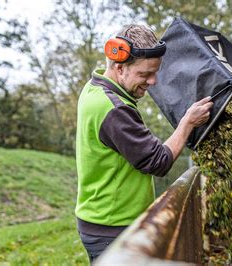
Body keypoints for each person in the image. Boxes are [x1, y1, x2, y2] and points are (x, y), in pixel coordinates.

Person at [75, 24, 213, 263]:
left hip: (101, 220)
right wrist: (187, 122)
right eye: (144, 74)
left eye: (155, 72)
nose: (153, 81)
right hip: (113, 227)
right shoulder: (114, 109)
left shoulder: (94, 88)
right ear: (119, 67)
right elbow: (157, 161)